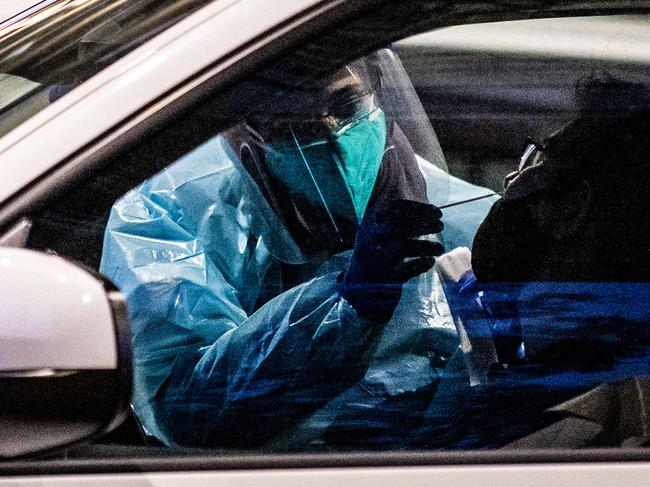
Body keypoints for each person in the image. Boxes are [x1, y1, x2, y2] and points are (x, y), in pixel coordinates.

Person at [100, 48, 497, 448]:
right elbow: (187, 412)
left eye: (347, 104)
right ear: (237, 131)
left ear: (378, 90)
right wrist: (347, 306)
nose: (331, 134)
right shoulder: (174, 213)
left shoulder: (468, 219)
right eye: (292, 121)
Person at [418, 74, 650, 449]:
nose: (513, 177)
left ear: (571, 207)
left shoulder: (550, 433)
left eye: (538, 158)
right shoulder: (585, 377)